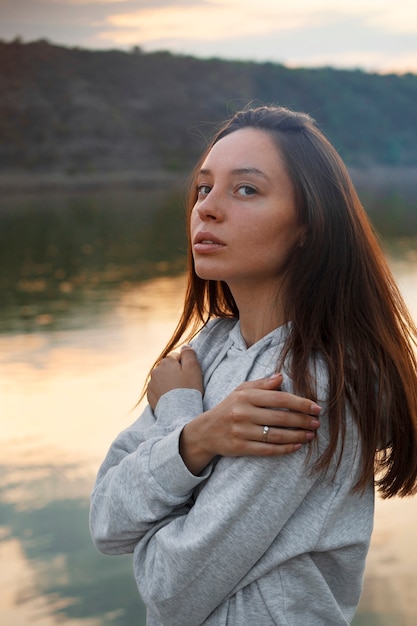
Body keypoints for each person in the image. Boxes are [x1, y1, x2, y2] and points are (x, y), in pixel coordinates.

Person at [89, 105, 417, 625]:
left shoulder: (309, 383)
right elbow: (106, 521)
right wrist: (194, 439)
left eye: (246, 190)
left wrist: (176, 418)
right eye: (203, 188)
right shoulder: (210, 347)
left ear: (309, 223)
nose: (208, 210)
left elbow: (170, 589)